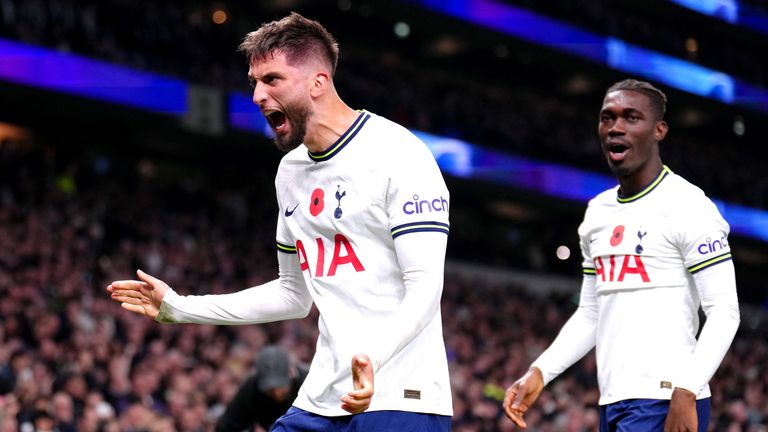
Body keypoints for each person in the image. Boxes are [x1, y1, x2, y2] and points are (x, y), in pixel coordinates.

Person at [107, 12, 452, 432]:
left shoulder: (399, 154)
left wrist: (374, 357)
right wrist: (181, 308)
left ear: (318, 83)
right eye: (253, 81)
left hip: (403, 396)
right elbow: (294, 293)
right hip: (322, 396)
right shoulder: (290, 172)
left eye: (271, 80)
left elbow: (425, 287)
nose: (257, 95)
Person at [503, 79, 740, 431]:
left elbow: (725, 312)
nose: (615, 128)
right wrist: (541, 371)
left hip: (666, 398)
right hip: (613, 400)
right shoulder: (597, 213)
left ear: (659, 130)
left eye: (631, 118)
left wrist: (686, 390)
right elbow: (590, 313)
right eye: (607, 118)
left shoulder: (689, 206)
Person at [215, 346, 309, 432]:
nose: (277, 394)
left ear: (291, 373)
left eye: (280, 387)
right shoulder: (252, 387)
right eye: (270, 389)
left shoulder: (308, 382)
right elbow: (226, 426)